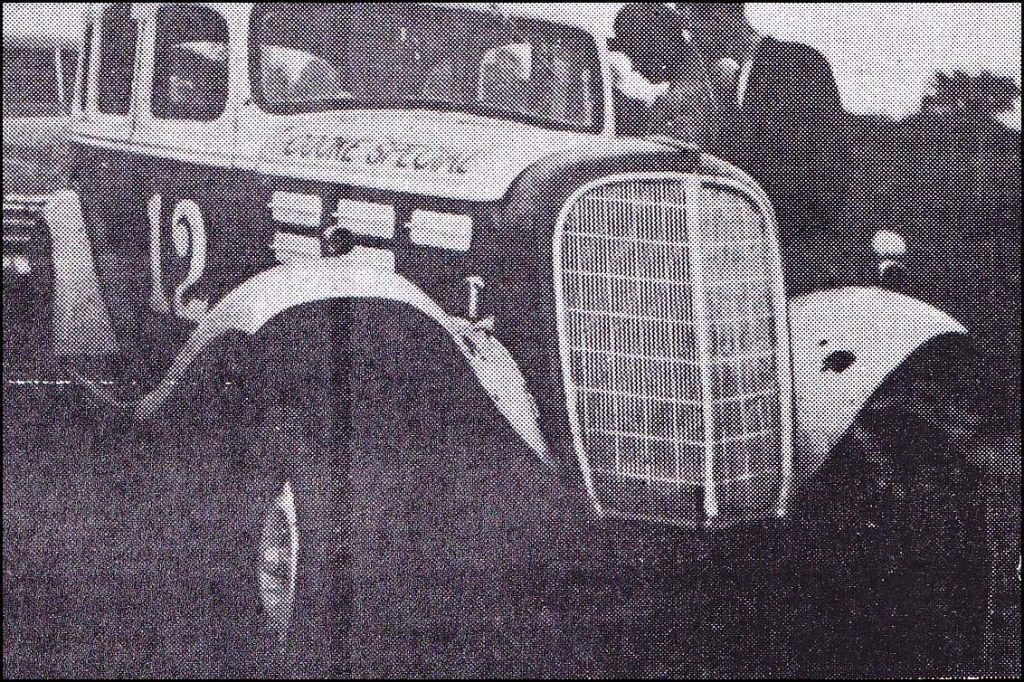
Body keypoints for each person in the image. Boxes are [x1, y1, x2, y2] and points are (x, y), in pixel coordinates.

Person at [655, 3, 852, 291]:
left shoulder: (797, 65)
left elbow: (819, 171)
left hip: (798, 260)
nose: (691, 37)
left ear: (719, 12)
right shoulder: (736, 83)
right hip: (762, 258)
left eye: (691, 24)